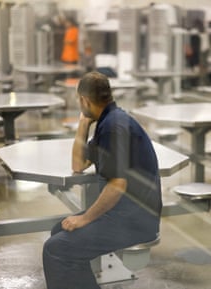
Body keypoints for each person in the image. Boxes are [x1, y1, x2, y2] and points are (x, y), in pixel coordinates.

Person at [43, 71, 162, 289]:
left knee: (56, 249)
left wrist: (85, 219)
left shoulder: (113, 127)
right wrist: (83, 125)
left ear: (84, 100)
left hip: (134, 220)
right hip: (124, 213)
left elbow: (117, 185)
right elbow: (78, 165)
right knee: (58, 233)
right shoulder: (109, 121)